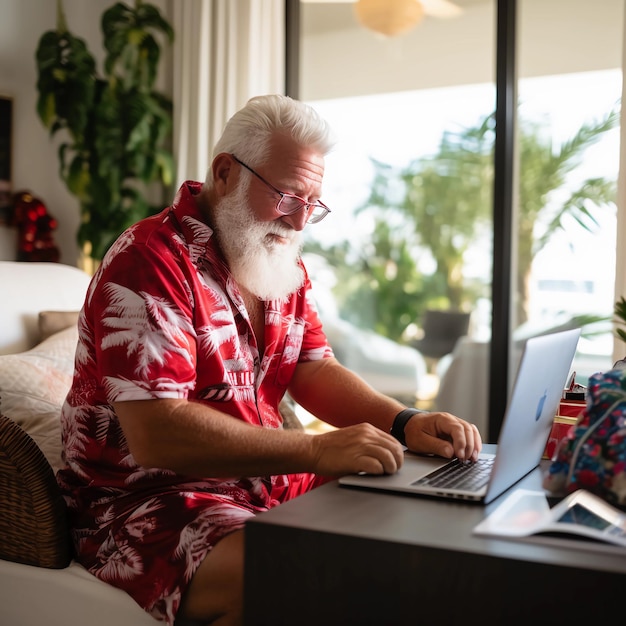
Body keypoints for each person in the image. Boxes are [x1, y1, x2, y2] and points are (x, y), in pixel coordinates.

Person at [58, 94, 482, 626]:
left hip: (264, 482)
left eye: (314, 203)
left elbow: (313, 368)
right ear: (225, 172)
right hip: (144, 504)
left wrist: (405, 422)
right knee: (302, 572)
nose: (301, 219)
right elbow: (157, 432)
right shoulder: (149, 260)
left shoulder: (278, 257)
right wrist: (317, 449)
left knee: (422, 509)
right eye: (287, 195)